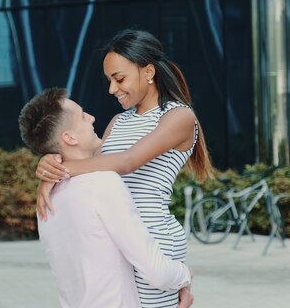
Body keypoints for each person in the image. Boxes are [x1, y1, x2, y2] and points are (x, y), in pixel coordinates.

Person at [35, 29, 213, 308]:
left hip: (154, 240)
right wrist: (50, 165)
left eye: (119, 79)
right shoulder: (118, 121)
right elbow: (88, 164)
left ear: (149, 72)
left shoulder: (178, 116)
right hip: (120, 241)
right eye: (109, 81)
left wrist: (64, 167)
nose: (112, 89)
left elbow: (128, 161)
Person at [18, 88, 193, 308]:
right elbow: (156, 272)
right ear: (69, 137)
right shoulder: (103, 184)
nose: (92, 118)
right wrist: (185, 274)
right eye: (82, 116)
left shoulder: (46, 198)